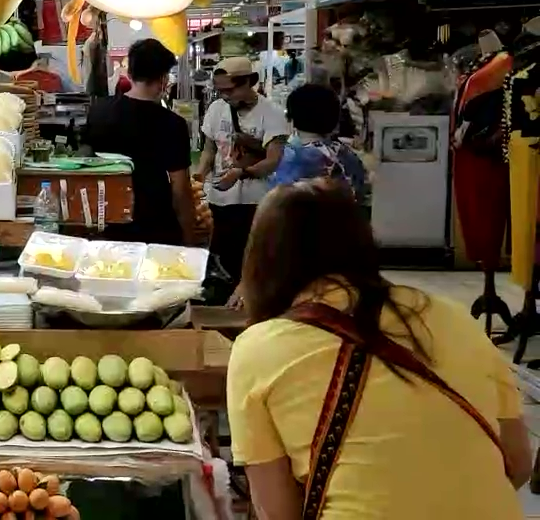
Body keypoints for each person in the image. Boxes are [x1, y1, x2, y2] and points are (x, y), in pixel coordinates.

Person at [228, 180, 531, 520]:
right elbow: (519, 463)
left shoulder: (258, 348)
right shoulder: (455, 318)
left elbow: (278, 513)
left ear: (262, 262)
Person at [82, 39, 195, 245]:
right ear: (163, 78)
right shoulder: (173, 124)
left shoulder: (98, 112)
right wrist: (190, 240)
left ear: (130, 73)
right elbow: (180, 191)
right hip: (155, 228)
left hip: (107, 222)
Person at [196, 57, 287, 279]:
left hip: (254, 202)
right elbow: (209, 150)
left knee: (250, 260)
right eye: (220, 91)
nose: (225, 97)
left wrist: (242, 173)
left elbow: (273, 160)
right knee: (221, 260)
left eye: (230, 90)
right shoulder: (217, 109)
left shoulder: (272, 113)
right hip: (219, 199)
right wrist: (199, 176)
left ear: (250, 81)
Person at [271, 83, 368, 201]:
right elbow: (361, 191)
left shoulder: (289, 157)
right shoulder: (346, 156)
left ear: (290, 117)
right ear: (335, 119)